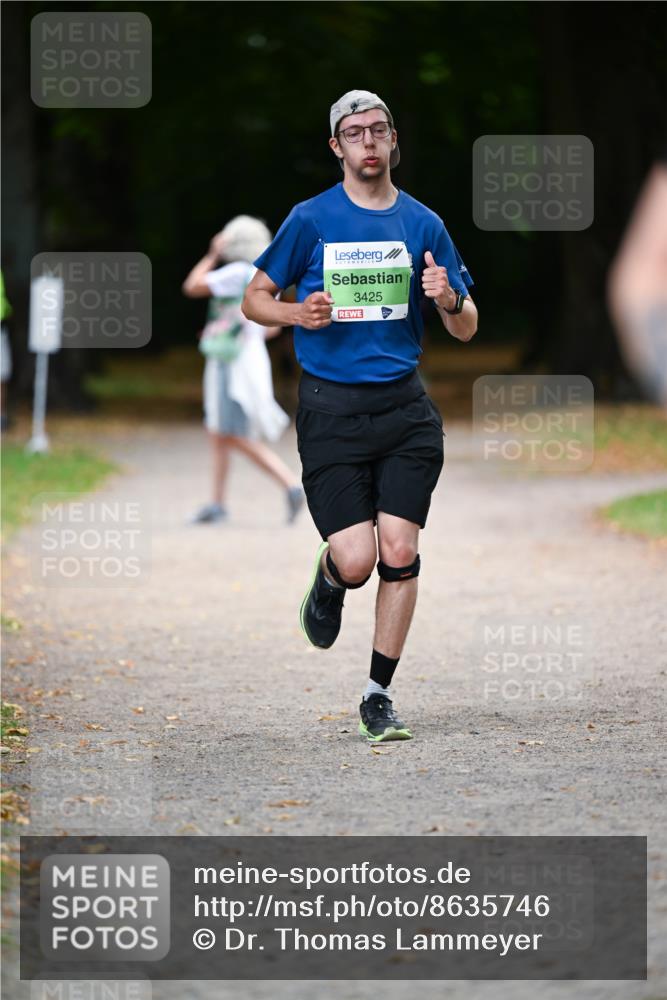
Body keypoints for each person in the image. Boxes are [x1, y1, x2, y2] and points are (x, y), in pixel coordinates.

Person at [243, 90, 478, 742]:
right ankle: (328, 579)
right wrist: (296, 313)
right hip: (330, 410)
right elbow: (253, 299)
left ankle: (378, 695)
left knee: (399, 551)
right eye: (354, 132)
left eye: (377, 130)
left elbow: (464, 327)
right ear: (336, 147)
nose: (367, 141)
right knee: (356, 559)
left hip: (404, 409)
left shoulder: (423, 224)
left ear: (393, 140)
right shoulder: (309, 219)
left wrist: (450, 297)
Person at [183, 215, 305, 524]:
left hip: (232, 362)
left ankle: (290, 484)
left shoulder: (237, 272)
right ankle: (217, 502)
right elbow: (271, 330)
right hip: (250, 356)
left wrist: (211, 255)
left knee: (230, 433)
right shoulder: (263, 277)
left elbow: (192, 285)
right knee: (218, 433)